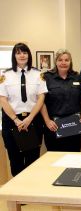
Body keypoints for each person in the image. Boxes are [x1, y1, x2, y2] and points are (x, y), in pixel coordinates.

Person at [0, 43, 47, 176]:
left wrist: (29, 118)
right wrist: (16, 120)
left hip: (32, 120)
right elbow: (2, 99)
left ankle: (30, 195)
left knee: (33, 161)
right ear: (14, 55)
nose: (22, 55)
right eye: (18, 52)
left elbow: (41, 97)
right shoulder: (5, 75)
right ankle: (18, 196)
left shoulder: (38, 74)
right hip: (12, 122)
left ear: (29, 55)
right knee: (15, 161)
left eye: (24, 52)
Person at [41, 49, 81, 152]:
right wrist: (47, 121)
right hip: (54, 126)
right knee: (55, 159)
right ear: (55, 62)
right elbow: (41, 102)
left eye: (66, 60)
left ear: (70, 62)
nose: (63, 63)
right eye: (60, 60)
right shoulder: (47, 78)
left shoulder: (77, 77)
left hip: (73, 125)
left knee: (74, 158)